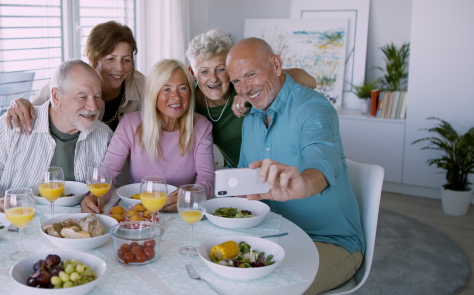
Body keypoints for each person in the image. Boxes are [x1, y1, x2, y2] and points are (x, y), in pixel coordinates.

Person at [226, 37, 365, 295]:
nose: (244, 88)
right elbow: (246, 186)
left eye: (251, 75)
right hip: (274, 236)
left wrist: (303, 184)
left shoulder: (312, 107)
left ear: (276, 65)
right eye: (236, 81)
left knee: (266, 290)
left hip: (328, 242)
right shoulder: (251, 120)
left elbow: (320, 160)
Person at [0, 60, 113, 212]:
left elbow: (107, 186)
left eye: (97, 97)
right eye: (82, 97)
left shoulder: (103, 135)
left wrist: (94, 197)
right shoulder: (12, 127)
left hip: (75, 231)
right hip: (18, 228)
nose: (93, 107)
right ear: (56, 96)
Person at [81, 59, 215, 213]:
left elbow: (207, 177)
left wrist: (192, 195)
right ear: (153, 92)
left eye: (183, 88)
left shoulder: (202, 126)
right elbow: (109, 173)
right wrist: (94, 196)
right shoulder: (130, 124)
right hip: (139, 211)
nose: (176, 96)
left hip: (181, 212)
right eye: (166, 89)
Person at [185, 28, 317, 167]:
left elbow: (309, 81)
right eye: (204, 71)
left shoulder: (246, 86)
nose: (213, 79)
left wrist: (246, 94)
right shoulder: (188, 99)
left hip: (278, 168)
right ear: (192, 73)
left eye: (221, 69)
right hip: (238, 174)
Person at [6, 21, 144, 134]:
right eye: (110, 59)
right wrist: (19, 103)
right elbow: (33, 109)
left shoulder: (143, 85)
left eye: (126, 60)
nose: (119, 68)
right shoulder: (72, 78)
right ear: (93, 59)